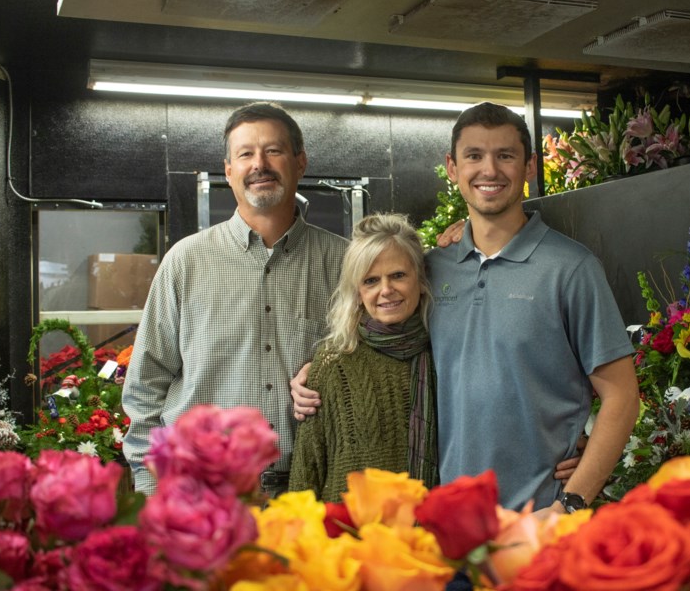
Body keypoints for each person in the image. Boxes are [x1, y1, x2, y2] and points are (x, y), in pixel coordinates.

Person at [293, 102, 638, 512]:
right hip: (445, 523)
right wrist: (317, 374)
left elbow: (621, 397)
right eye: (474, 156)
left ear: (529, 166)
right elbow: (378, 335)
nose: (489, 170)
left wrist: (571, 502)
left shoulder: (572, 269)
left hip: (537, 518)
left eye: (505, 156)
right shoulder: (432, 268)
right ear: (453, 168)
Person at [122, 102, 348, 495]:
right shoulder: (185, 262)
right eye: (245, 154)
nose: (259, 163)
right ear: (229, 172)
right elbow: (146, 385)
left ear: (300, 163)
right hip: (201, 495)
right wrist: (149, 487)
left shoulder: (346, 264)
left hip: (308, 495)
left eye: (273, 151)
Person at [289, 213, 437, 501]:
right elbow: (308, 468)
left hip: (428, 539)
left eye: (398, 275)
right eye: (371, 280)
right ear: (357, 293)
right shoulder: (334, 362)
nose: (386, 290)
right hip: (349, 537)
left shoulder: (445, 353)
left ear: (420, 279)